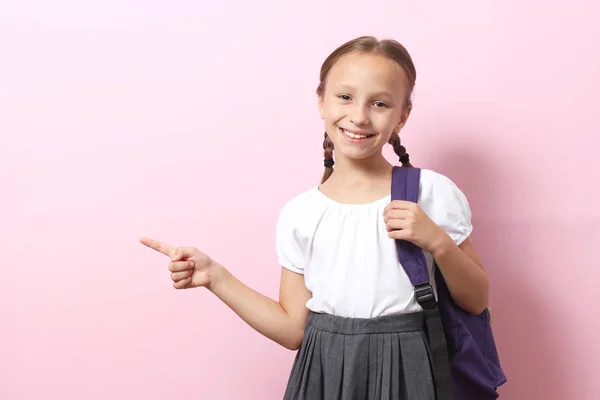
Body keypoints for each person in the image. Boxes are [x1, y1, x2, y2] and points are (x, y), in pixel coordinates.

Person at [140, 36, 490, 400]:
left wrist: (438, 241)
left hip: (411, 368)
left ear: (403, 115)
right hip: (325, 372)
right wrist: (215, 277)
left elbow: (476, 299)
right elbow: (293, 330)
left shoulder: (431, 192)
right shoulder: (301, 213)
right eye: (345, 97)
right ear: (321, 101)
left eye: (380, 103)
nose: (359, 116)